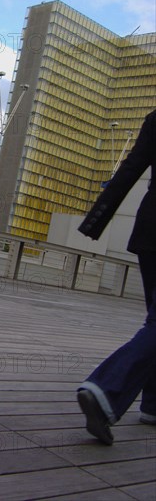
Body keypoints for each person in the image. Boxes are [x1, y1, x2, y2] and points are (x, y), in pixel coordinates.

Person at [76, 109, 156, 445]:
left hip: (151, 229)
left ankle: (152, 404)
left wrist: (95, 220)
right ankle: (106, 389)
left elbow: (129, 169)